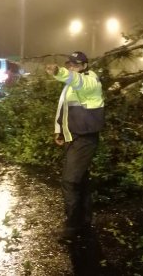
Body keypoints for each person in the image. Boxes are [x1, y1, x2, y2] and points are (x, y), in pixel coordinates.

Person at [45, 51, 105, 241]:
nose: (72, 67)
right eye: (69, 64)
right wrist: (59, 131)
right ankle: (85, 221)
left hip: (85, 139)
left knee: (70, 181)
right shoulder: (69, 86)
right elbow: (63, 109)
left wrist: (59, 71)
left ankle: (72, 226)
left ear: (85, 66)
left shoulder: (91, 80)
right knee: (81, 181)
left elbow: (78, 81)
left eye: (76, 65)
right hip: (74, 137)